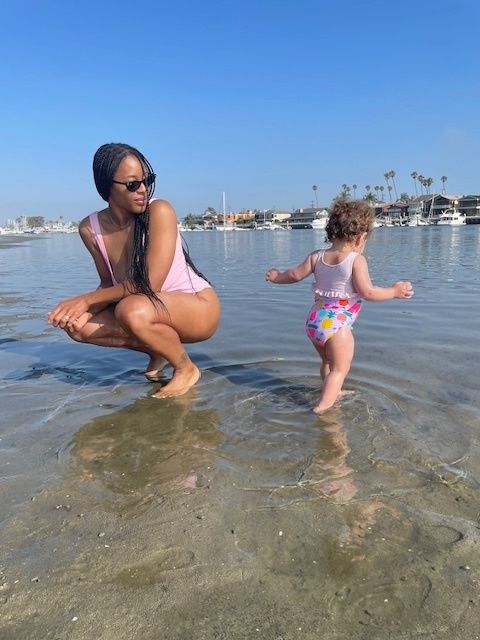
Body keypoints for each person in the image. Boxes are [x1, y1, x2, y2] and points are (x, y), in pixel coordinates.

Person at [48, 143, 220, 398]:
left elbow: (149, 284)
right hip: (148, 309)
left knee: (130, 309)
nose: (143, 190)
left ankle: (186, 368)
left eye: (147, 181)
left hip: (197, 308)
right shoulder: (90, 228)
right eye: (132, 184)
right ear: (107, 186)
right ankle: (159, 350)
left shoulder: (159, 210)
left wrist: (84, 300)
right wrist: (79, 311)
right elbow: (108, 285)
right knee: (78, 326)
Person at [265, 199, 413, 413]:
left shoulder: (316, 256)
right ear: (361, 237)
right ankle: (322, 408)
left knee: (327, 363)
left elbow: (294, 275)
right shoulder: (356, 260)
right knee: (340, 369)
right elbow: (368, 292)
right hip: (337, 327)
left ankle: (333, 392)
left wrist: (277, 277)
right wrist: (394, 291)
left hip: (315, 321)